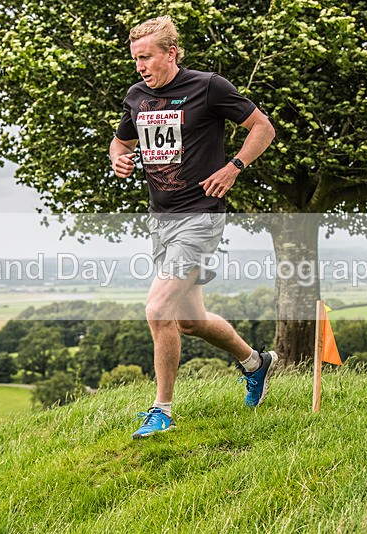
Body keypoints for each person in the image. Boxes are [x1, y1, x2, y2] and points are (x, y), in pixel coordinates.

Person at [109, 15, 277, 438]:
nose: (141, 66)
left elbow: (263, 127)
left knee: (157, 310)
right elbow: (121, 140)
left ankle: (161, 409)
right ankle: (256, 363)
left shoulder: (208, 87)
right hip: (161, 220)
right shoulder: (136, 96)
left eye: (147, 57)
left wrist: (234, 167)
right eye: (135, 59)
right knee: (189, 320)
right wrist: (118, 157)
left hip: (201, 217)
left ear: (171, 52)